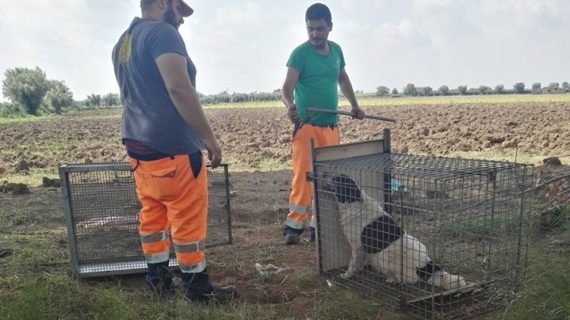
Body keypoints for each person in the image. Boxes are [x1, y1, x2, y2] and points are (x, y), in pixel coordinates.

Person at [111, 0, 237, 303]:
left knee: (152, 218)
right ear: (162, 3)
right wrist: (209, 138)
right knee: (187, 220)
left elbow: (130, 94)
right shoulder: (163, 34)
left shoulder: (123, 43)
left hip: (139, 150)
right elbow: (179, 89)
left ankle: (158, 281)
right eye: (178, 9)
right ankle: (197, 289)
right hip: (174, 148)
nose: (182, 18)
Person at [281, 3, 365, 245]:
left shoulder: (337, 51)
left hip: (331, 127)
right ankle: (294, 226)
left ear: (330, 27)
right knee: (303, 176)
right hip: (306, 126)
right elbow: (286, 89)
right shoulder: (300, 54)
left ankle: (320, 225)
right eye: (310, 29)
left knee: (328, 179)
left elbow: (343, 78)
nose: (315, 34)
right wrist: (290, 107)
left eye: (319, 29)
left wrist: (355, 105)